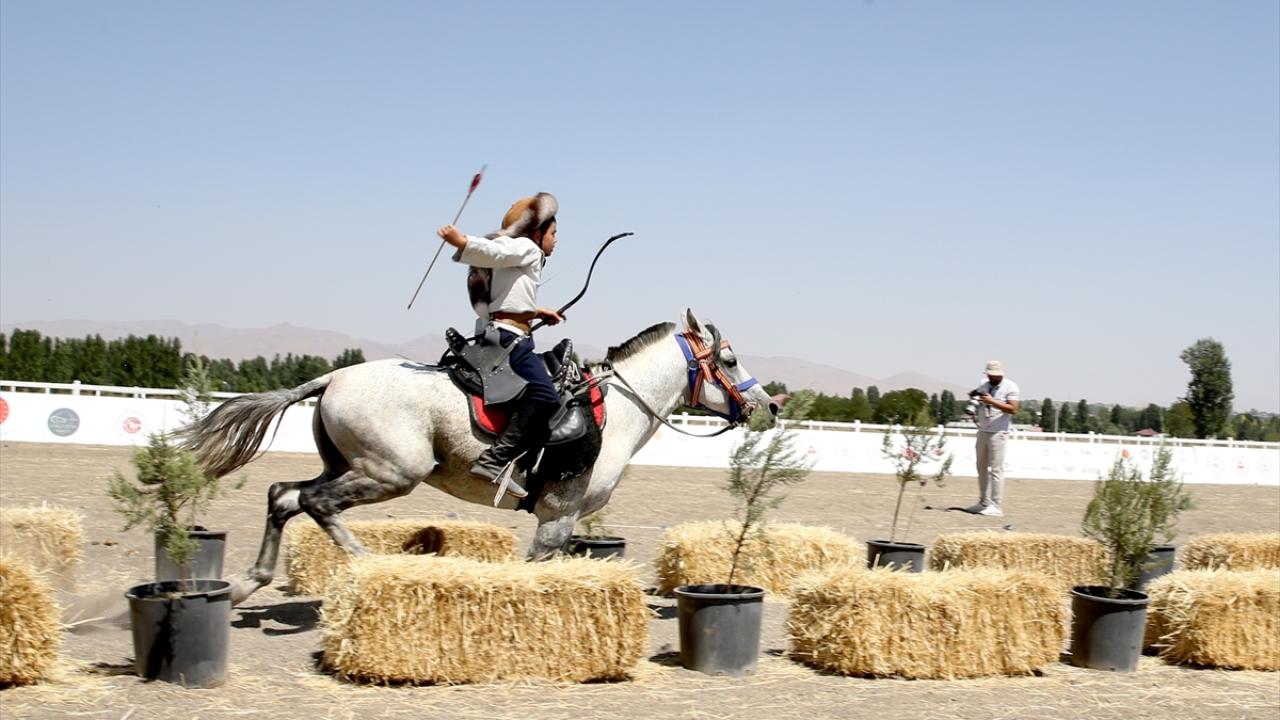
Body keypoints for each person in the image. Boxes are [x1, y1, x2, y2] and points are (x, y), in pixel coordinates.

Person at [437, 192, 564, 499]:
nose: (556, 240)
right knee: (547, 396)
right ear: (537, 233)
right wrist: (462, 241)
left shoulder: (526, 253)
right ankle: (494, 460)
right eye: (553, 233)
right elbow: (493, 252)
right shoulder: (528, 248)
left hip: (501, 331)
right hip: (511, 340)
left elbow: (506, 295)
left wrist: (535, 311)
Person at [965, 360, 1020, 517]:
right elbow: (977, 394)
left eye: (995, 375)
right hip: (983, 429)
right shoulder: (984, 384)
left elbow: (1013, 409)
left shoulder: (1011, 387)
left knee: (996, 469)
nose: (992, 378)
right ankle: (983, 501)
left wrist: (992, 402)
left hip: (999, 432)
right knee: (981, 467)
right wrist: (974, 397)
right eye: (990, 375)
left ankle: (996, 505)